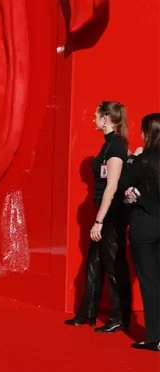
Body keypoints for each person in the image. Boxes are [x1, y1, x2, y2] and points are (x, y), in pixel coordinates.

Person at [66, 101, 132, 332]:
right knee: (94, 261)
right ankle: (87, 312)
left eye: (96, 116)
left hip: (111, 213)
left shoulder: (116, 146)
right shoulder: (109, 145)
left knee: (113, 264)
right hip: (105, 210)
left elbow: (112, 186)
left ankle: (118, 317)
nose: (93, 120)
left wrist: (99, 221)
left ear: (105, 119)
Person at [123, 113, 160, 351]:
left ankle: (154, 336)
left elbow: (122, 182)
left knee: (149, 281)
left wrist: (132, 159)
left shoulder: (141, 160)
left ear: (147, 133)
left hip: (144, 225)